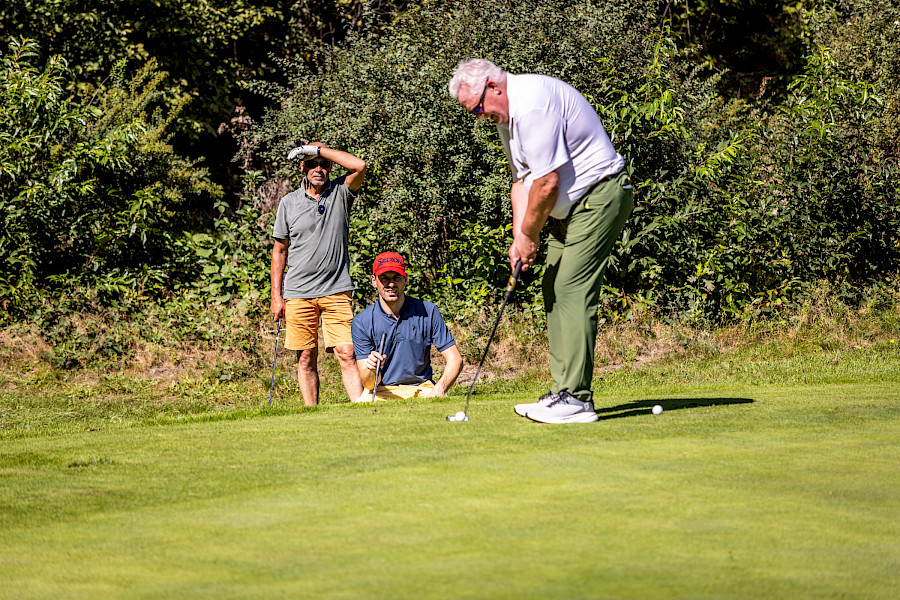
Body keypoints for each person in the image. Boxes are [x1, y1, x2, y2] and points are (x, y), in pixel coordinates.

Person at [449, 59, 634, 424]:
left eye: (479, 108)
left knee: (571, 287)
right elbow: (522, 181)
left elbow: (547, 183)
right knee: (553, 285)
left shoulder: (532, 102)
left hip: (601, 195)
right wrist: (520, 238)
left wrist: (531, 235)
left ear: (493, 86)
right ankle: (561, 391)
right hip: (571, 209)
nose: (480, 117)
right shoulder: (508, 117)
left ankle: (577, 399)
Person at [270, 142, 365, 406]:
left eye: (323, 164)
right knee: (305, 356)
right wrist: (276, 296)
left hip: (336, 289)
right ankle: (312, 414)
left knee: (347, 352)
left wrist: (318, 149)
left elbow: (360, 166)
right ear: (303, 167)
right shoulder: (288, 203)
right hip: (299, 293)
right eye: (312, 164)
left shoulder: (340, 193)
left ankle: (361, 409)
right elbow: (279, 251)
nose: (318, 169)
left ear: (330, 166)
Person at [351, 251, 463, 402]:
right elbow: (369, 383)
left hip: (422, 389)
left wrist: (440, 388)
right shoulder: (361, 322)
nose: (391, 284)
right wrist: (371, 369)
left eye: (396, 278)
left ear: (405, 279)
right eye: (384, 278)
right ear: (374, 281)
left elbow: (455, 359)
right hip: (380, 392)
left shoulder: (427, 311)